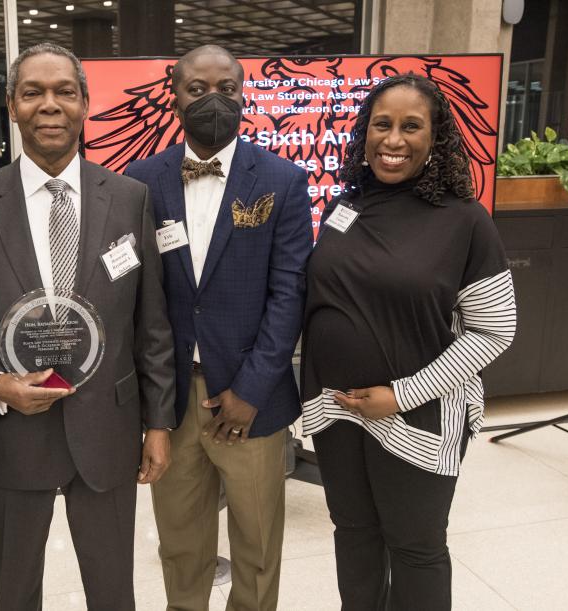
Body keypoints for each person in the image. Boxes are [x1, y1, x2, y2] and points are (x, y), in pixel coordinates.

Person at [0, 43, 176, 611]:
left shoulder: (129, 198)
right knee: (15, 593)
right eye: (33, 92)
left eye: (64, 91)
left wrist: (160, 423)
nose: (50, 104)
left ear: (85, 104)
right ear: (13, 107)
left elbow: (152, 322)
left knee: (113, 591)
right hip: (14, 435)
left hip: (109, 433)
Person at [299, 73, 517, 610]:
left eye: (411, 127)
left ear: (435, 138)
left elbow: (496, 328)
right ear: (364, 132)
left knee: (415, 549)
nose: (393, 140)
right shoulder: (344, 207)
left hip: (415, 417)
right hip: (338, 411)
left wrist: (401, 394)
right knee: (354, 536)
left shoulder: (465, 222)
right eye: (382, 125)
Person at [125, 45, 312, 611]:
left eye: (226, 88)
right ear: (175, 95)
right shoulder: (141, 180)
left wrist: (251, 391)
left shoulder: (282, 179)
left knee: (256, 546)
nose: (213, 99)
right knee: (181, 542)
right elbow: (139, 296)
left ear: (243, 92)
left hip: (252, 398)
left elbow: (290, 294)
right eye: (197, 88)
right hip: (173, 396)